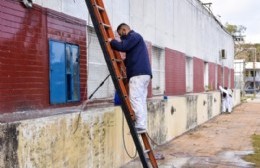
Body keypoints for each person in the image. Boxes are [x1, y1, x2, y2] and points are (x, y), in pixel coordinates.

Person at [109, 23, 152, 132]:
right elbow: (130, 57)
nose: (121, 38)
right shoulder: (136, 40)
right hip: (144, 74)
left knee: (135, 98)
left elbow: (123, 47)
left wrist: (112, 41)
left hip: (138, 75)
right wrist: (121, 63)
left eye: (120, 35)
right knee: (141, 100)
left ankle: (140, 124)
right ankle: (142, 124)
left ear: (124, 30)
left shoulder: (134, 36)